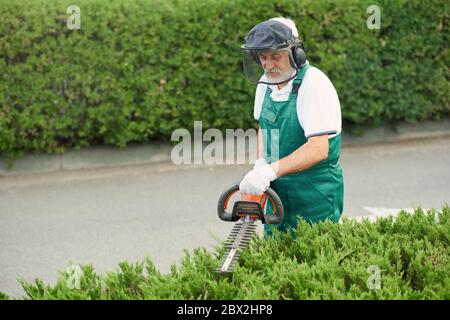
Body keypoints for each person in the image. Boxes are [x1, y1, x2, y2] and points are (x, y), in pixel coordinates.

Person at [239, 17, 344, 236]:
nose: (268, 64)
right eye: (262, 57)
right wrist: (260, 164)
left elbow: (318, 148)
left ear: (296, 53)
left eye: (275, 56)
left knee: (315, 257)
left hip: (315, 196)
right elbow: (264, 127)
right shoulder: (265, 83)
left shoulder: (314, 84)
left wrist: (270, 170)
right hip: (277, 197)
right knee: (277, 258)